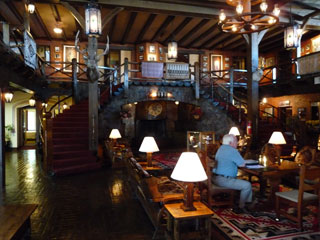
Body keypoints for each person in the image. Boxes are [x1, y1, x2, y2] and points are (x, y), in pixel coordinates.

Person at [212, 134, 253, 213]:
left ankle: (245, 202)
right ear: (231, 143)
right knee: (247, 185)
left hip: (215, 178)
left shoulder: (221, 148)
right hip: (224, 180)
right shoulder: (232, 150)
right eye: (236, 141)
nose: (237, 143)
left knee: (242, 182)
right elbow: (242, 164)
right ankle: (242, 207)